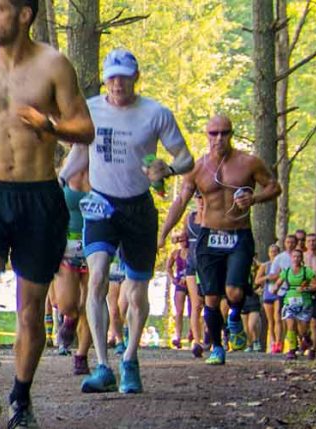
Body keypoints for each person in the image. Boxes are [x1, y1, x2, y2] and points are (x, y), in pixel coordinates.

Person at [0, 0, 95, 425]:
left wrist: (50, 126)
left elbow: (84, 127)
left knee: (31, 308)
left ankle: (22, 398)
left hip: (38, 197)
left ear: (25, 15)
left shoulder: (54, 65)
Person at [65, 48, 194, 395]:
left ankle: (130, 359)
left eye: (124, 76)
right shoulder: (90, 109)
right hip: (101, 205)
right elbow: (80, 150)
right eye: (112, 77)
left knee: (136, 292)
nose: (118, 83)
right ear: (105, 79)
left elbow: (185, 158)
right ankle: (104, 365)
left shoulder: (155, 114)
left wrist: (166, 168)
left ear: (136, 77)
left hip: (138, 207)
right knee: (97, 277)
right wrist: (60, 181)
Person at [160, 114, 282, 366]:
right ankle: (216, 346)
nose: (218, 138)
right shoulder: (196, 167)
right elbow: (181, 201)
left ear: (231, 134)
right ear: (207, 136)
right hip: (208, 235)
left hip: (238, 234)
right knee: (211, 298)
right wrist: (162, 233)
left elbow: (274, 186)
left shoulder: (249, 163)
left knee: (234, 291)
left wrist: (254, 199)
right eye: (213, 133)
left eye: (224, 133)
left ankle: (235, 315)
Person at [55, 149, 96, 377]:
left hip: (95, 242)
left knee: (93, 299)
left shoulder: (102, 170)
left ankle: (82, 355)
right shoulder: (64, 170)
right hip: (68, 245)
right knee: (67, 304)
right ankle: (69, 319)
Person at [279, 245, 316, 360]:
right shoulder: (286, 272)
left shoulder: (307, 271)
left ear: (301, 259)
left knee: (302, 328)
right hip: (289, 301)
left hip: (304, 302)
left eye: (298, 257)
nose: (296, 259)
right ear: (291, 258)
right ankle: (292, 349)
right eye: (294, 256)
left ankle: (305, 337)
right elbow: (278, 282)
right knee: (290, 325)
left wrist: (306, 289)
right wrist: (275, 289)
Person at [168, 233, 199, 350]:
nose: (182, 243)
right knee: (179, 311)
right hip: (180, 284)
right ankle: (178, 336)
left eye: (184, 240)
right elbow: (168, 266)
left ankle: (193, 334)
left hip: (191, 282)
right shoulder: (176, 254)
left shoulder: (193, 253)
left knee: (194, 309)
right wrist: (173, 278)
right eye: (180, 241)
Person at [259, 244, 285, 353]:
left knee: (277, 317)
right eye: (271, 251)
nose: (273, 254)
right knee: (270, 320)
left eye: (276, 251)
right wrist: (267, 277)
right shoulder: (265, 265)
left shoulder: (282, 265)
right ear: (269, 253)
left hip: (279, 293)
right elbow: (257, 280)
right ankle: (273, 342)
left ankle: (279, 342)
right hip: (268, 294)